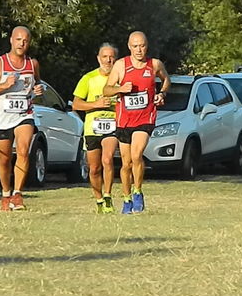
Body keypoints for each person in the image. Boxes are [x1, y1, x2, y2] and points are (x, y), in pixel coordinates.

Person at [103, 31, 170, 214]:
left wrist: (161, 94)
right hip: (124, 120)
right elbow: (106, 90)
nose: (139, 50)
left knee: (136, 154)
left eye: (142, 45)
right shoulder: (120, 65)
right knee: (126, 163)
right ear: (129, 47)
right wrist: (120, 88)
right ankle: (126, 198)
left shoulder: (154, 64)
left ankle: (138, 191)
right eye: (135, 46)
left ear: (147, 46)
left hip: (145, 117)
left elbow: (166, 80)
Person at [0, 26, 44, 211]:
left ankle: (17, 194)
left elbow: (38, 83)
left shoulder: (33, 64)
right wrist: (3, 85)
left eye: (25, 40)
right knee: (5, 159)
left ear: (29, 42)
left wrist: (39, 90)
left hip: (25, 114)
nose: (21, 44)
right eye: (18, 39)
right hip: (2, 117)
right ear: (11, 40)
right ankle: (6, 193)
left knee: (23, 151)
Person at [72, 43, 119, 213]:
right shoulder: (88, 78)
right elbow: (76, 104)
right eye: (105, 57)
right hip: (92, 128)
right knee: (94, 168)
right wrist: (96, 104)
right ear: (98, 59)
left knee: (107, 160)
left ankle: (107, 196)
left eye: (111, 56)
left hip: (112, 125)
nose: (108, 60)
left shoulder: (120, 78)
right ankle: (98, 199)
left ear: (116, 59)